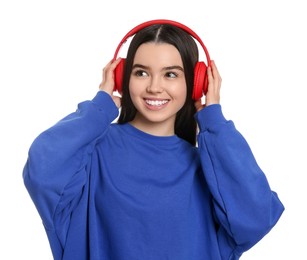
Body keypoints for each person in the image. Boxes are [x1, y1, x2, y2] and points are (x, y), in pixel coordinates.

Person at [23, 19, 284, 260]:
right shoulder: (94, 152)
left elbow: (257, 217)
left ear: (196, 83)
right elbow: (42, 170)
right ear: (122, 78)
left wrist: (214, 122)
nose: (154, 87)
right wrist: (99, 108)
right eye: (141, 73)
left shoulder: (209, 168)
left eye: (170, 74)